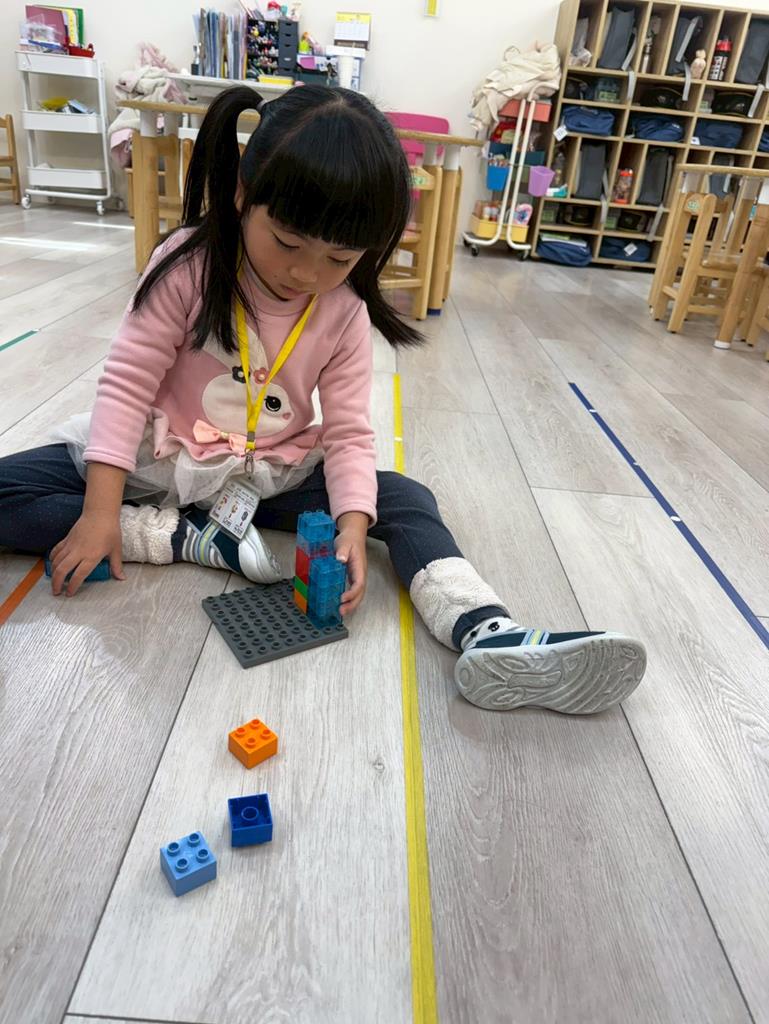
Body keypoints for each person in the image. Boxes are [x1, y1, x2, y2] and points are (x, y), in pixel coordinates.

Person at [0, 85, 646, 713]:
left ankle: (483, 627)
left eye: (339, 258)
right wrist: (102, 513)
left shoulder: (343, 309)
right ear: (243, 193)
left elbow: (348, 433)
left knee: (403, 498)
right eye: (287, 243)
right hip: (160, 456)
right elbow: (125, 384)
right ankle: (178, 536)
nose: (306, 274)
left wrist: (352, 528)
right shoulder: (187, 265)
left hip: (267, 473)